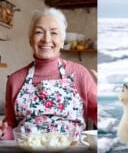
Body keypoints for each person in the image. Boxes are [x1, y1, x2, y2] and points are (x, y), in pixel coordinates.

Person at [0, 8, 97, 140]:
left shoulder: (80, 74)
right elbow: (10, 126)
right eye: (39, 32)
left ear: (62, 41)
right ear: (30, 40)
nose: (46, 39)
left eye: (54, 33)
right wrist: (3, 133)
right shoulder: (15, 80)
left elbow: (101, 116)